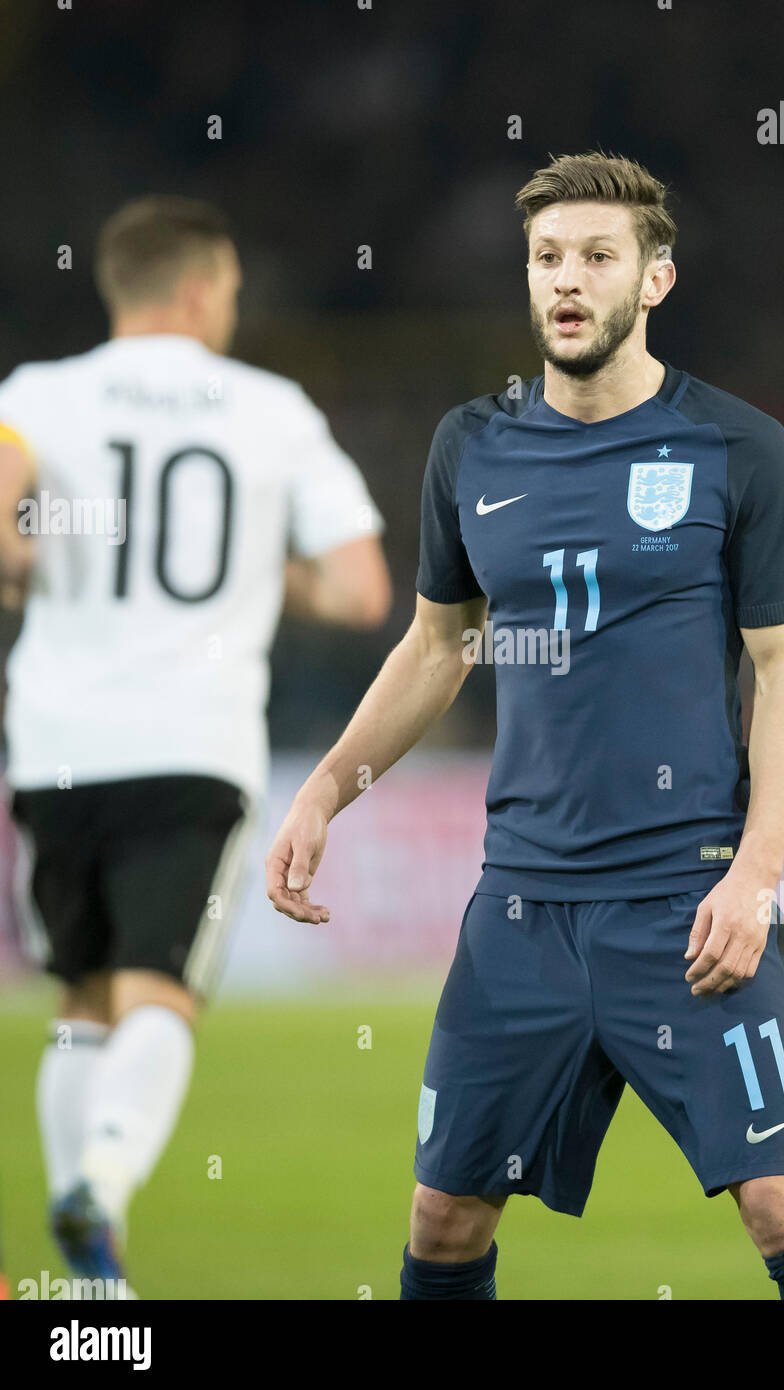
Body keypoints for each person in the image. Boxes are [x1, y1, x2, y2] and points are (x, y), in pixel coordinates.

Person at [266, 153, 784, 1301]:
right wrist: (325, 788)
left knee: (782, 1205)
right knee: (443, 1218)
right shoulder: (471, 446)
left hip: (685, 893)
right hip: (523, 904)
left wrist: (757, 872)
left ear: (656, 280)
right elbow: (437, 644)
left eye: (598, 257)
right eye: (548, 257)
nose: (568, 280)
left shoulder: (738, 448)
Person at [0, 195, 390, 1295]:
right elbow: (363, 585)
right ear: (201, 290)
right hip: (191, 742)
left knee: (80, 1001)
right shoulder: (271, 411)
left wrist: (39, 567)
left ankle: (89, 1285)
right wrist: (260, 569)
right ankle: (107, 1185)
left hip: (53, 745)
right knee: (159, 992)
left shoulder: (35, 397)